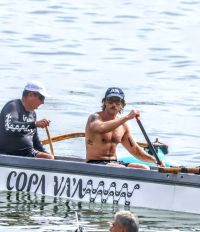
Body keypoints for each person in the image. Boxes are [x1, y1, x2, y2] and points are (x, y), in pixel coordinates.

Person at [85, 87, 164, 169]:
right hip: (95, 163)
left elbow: (135, 150)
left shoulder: (123, 126)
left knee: (144, 168)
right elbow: (101, 128)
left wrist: (155, 160)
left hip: (114, 163)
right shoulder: (94, 118)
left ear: (122, 104)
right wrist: (127, 117)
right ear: (105, 102)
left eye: (117, 101)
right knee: (119, 168)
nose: (114, 104)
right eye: (110, 100)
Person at [0, 80, 54, 159]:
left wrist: (47, 154)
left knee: (49, 157)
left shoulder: (33, 114)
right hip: (7, 153)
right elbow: (10, 126)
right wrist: (34, 124)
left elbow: (35, 140)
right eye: (41, 98)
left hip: (28, 153)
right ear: (31, 95)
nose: (43, 102)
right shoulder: (13, 106)